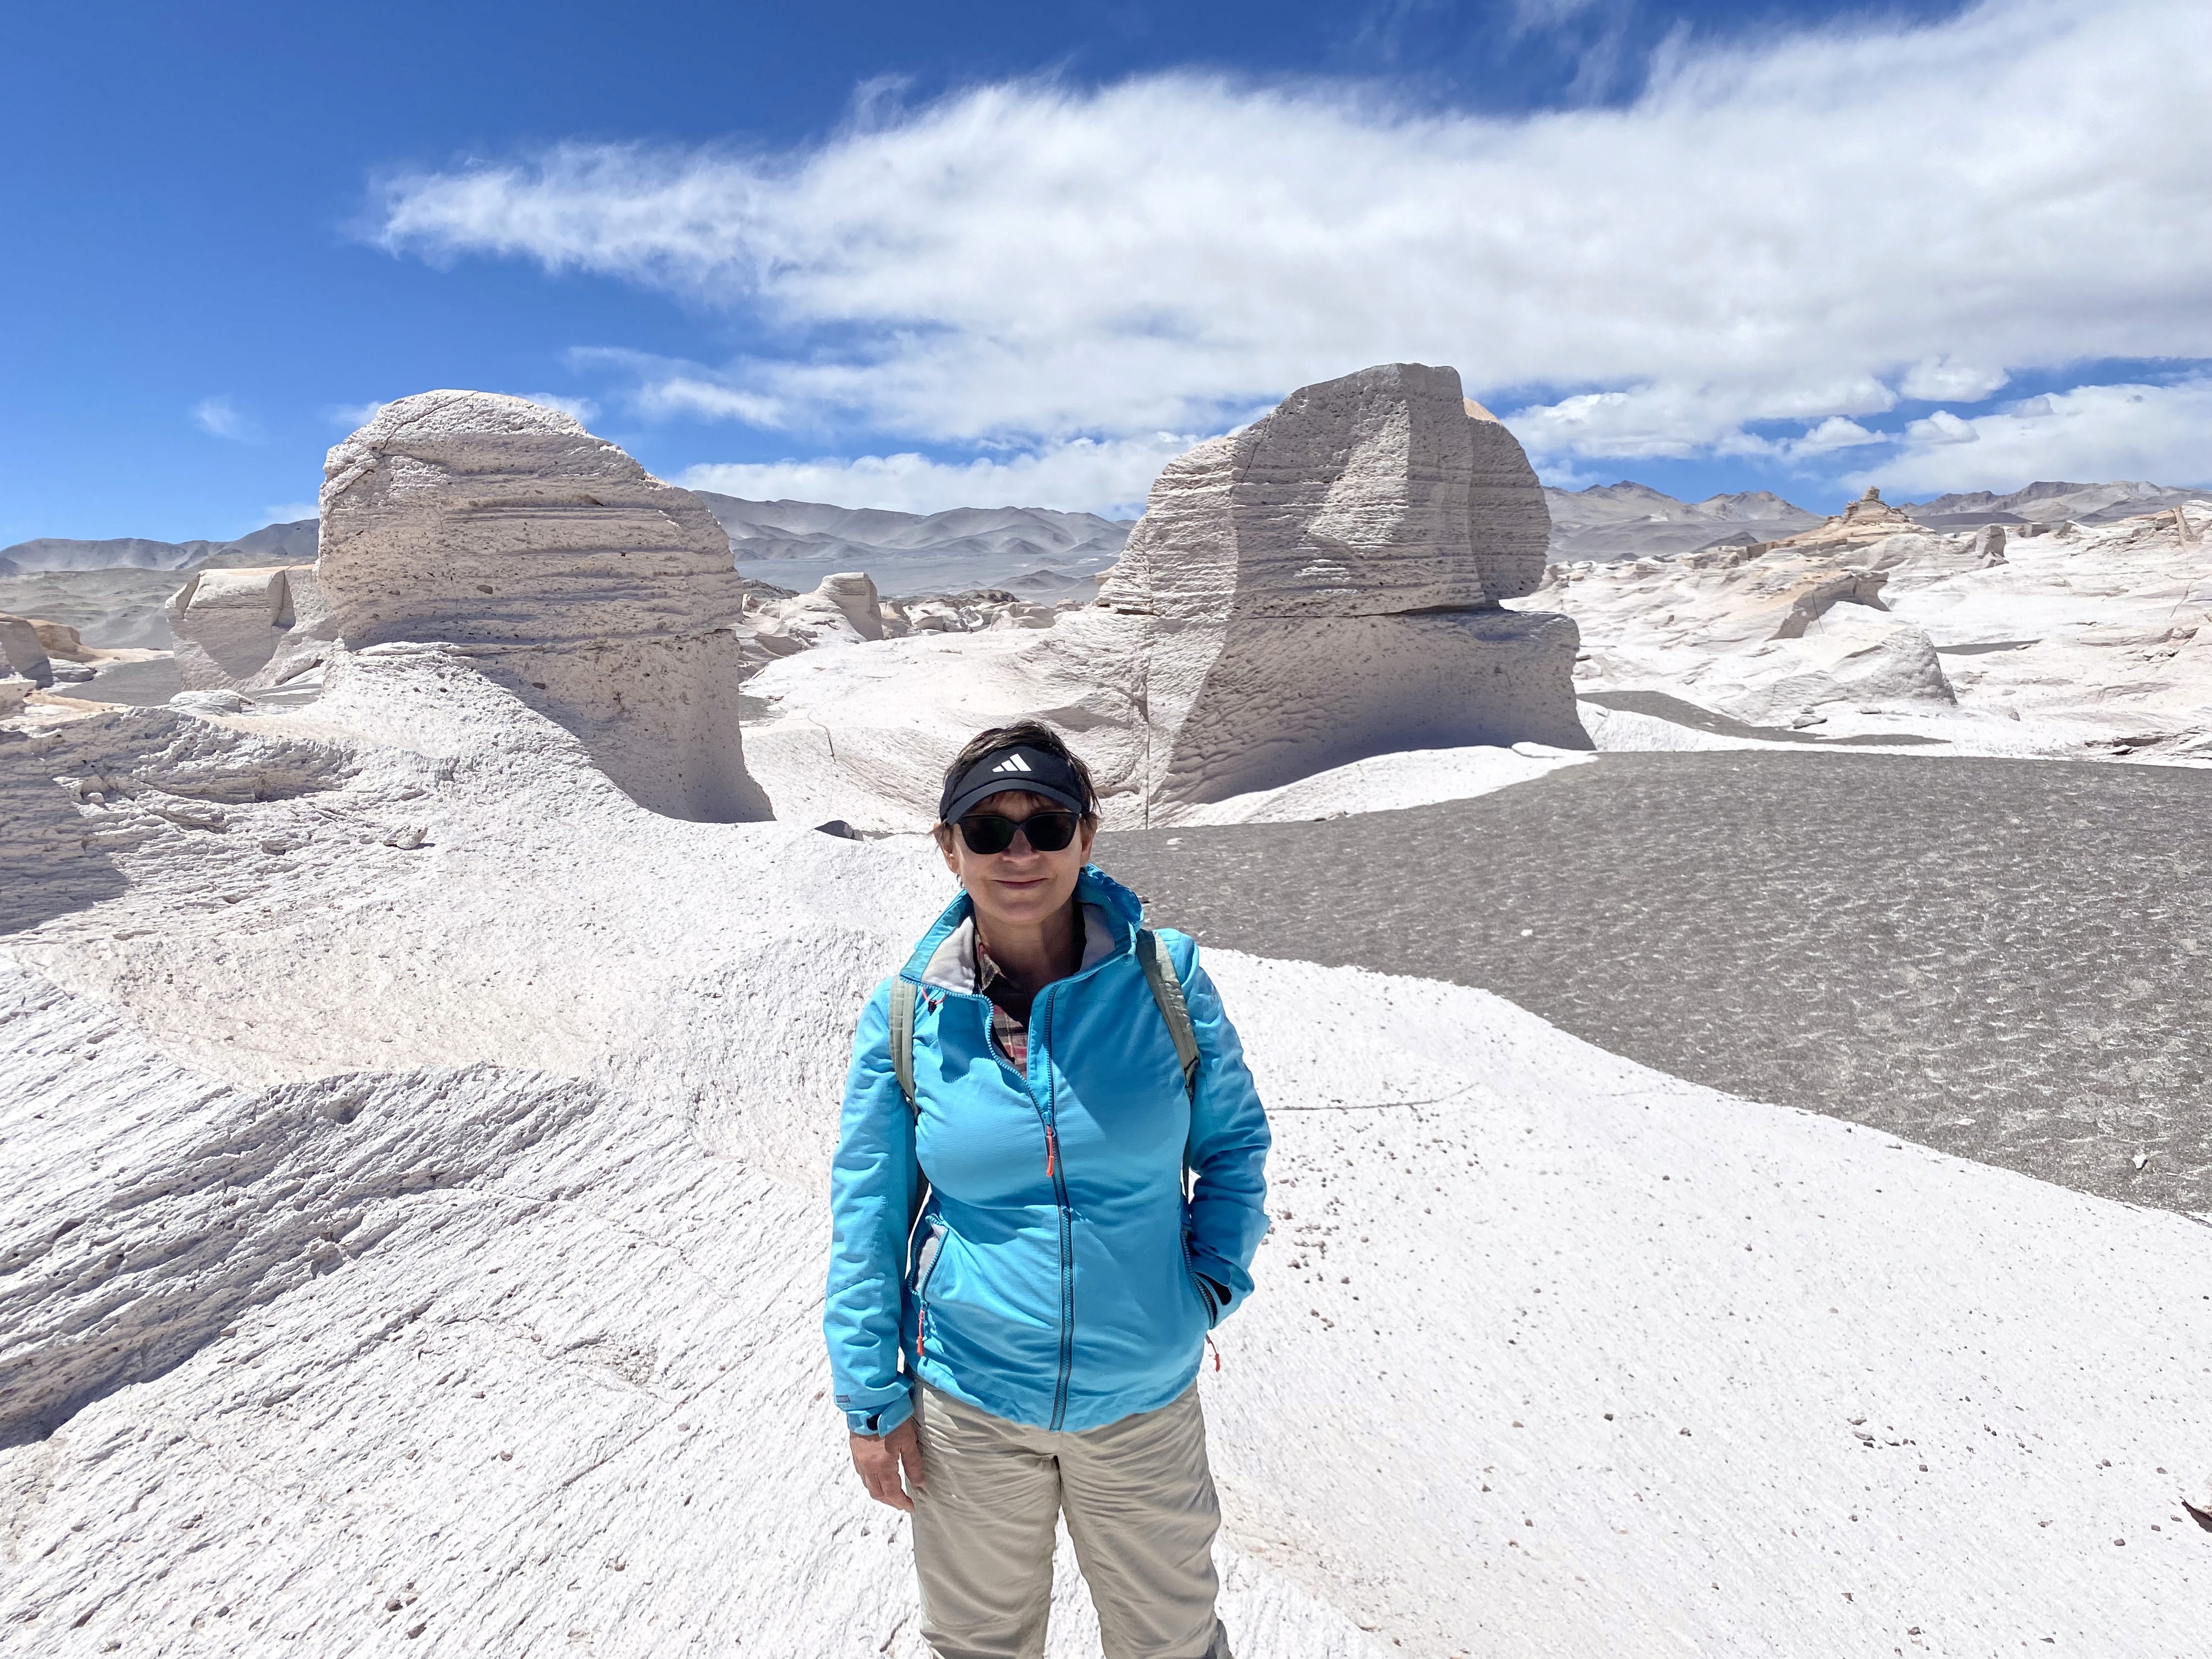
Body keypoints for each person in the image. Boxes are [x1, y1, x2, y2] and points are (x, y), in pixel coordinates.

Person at [825, 720, 1273, 1659]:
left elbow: (1232, 1148)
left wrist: (1205, 1289)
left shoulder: (1166, 981)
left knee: (1172, 1643)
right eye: (987, 830)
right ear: (949, 850)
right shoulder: (908, 1013)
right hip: (970, 1401)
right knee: (980, 1646)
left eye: (1047, 823)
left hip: (1141, 1403)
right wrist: (872, 1399)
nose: (1018, 851)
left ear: (1088, 836)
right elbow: (867, 1216)